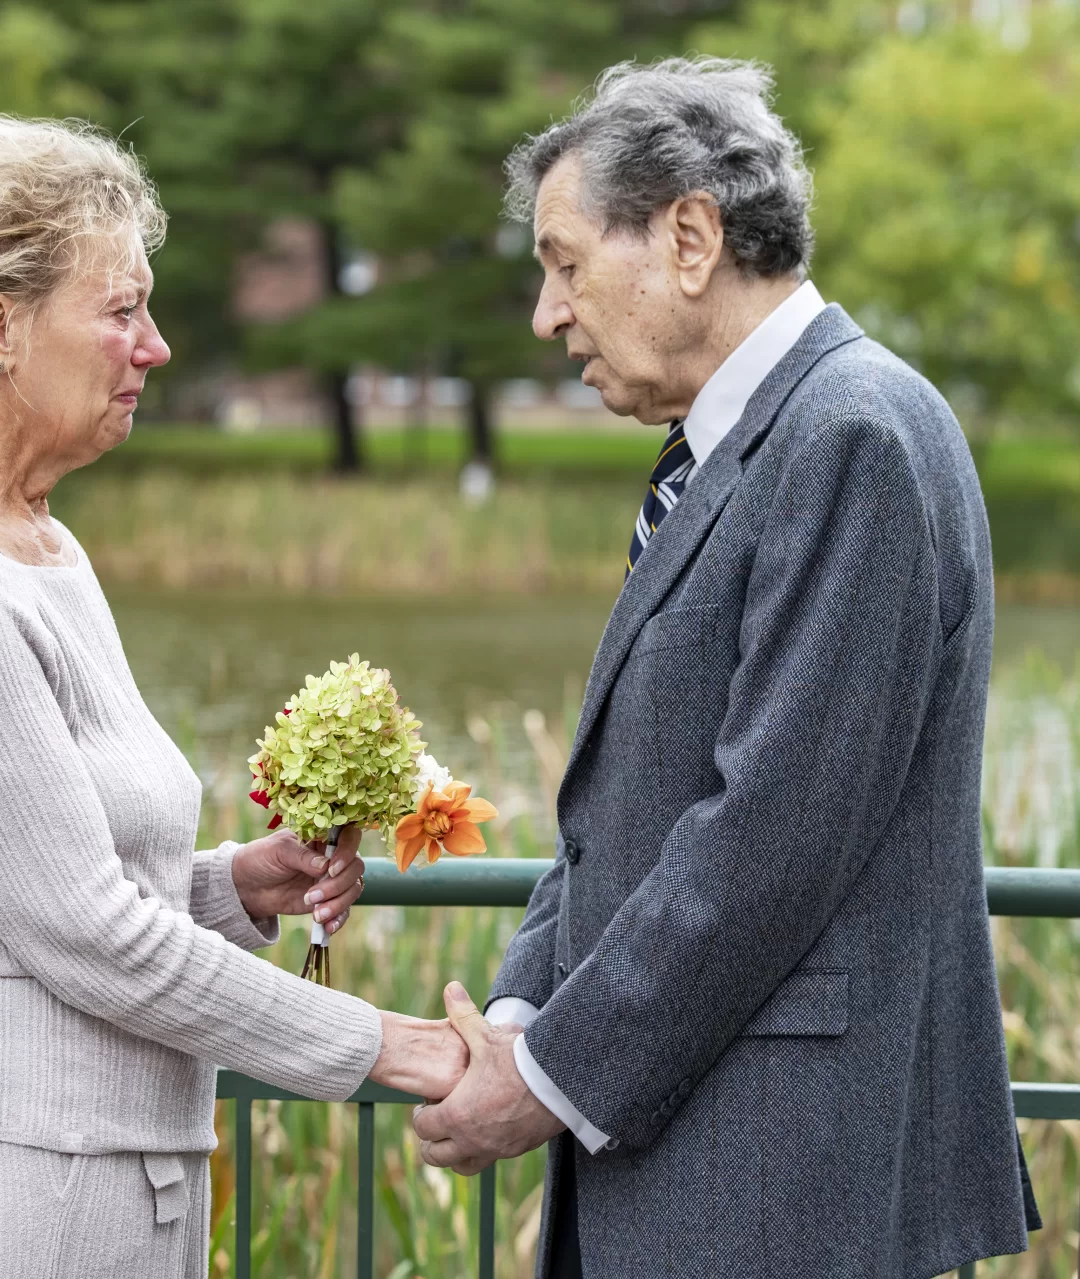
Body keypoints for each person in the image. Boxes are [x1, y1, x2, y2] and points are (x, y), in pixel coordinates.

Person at [411, 59, 1041, 1277]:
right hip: (717, 1171)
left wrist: (541, 1078)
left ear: (689, 237)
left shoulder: (850, 433)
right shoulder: (742, 443)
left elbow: (769, 834)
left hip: (780, 1188)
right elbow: (625, 813)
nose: (547, 315)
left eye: (562, 262)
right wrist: (516, 1009)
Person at [0, 116, 466, 1277]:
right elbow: (85, 936)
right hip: (41, 1185)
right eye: (121, 311)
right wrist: (391, 1045)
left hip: (124, 1162)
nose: (154, 347)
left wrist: (233, 885)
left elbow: (75, 883)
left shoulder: (43, 549)